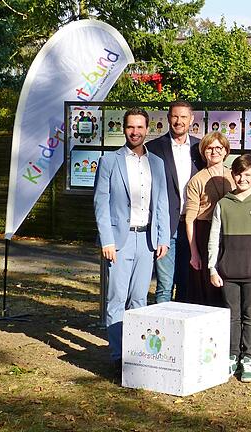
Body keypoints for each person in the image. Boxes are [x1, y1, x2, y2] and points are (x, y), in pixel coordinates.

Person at [94, 108, 169, 376]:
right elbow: (100, 204)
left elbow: (161, 203)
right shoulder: (109, 162)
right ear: (124, 129)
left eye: (139, 127)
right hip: (119, 241)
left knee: (139, 300)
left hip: (147, 240)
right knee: (116, 299)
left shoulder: (157, 164)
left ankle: (135, 356)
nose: (135, 132)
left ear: (147, 129)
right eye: (130, 127)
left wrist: (162, 238)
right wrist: (107, 240)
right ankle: (117, 357)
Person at [208, 154, 251, 383]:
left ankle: (248, 357)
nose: (242, 178)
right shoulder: (223, 204)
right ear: (232, 175)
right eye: (238, 174)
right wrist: (212, 269)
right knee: (231, 316)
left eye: (247, 174)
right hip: (227, 273)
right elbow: (214, 240)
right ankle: (232, 355)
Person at [147, 101, 204, 303]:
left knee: (187, 285)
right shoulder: (153, 148)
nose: (179, 121)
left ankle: (181, 332)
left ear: (191, 120)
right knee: (164, 285)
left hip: (192, 227)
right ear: (168, 118)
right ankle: (162, 333)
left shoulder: (201, 149)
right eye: (175, 116)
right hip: (165, 227)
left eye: (183, 117)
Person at [184, 132, 234, 307]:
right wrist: (194, 253)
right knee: (207, 286)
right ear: (203, 151)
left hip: (230, 233)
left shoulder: (235, 177)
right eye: (209, 148)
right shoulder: (196, 180)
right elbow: (189, 219)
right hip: (205, 232)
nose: (214, 151)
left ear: (225, 150)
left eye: (218, 147)